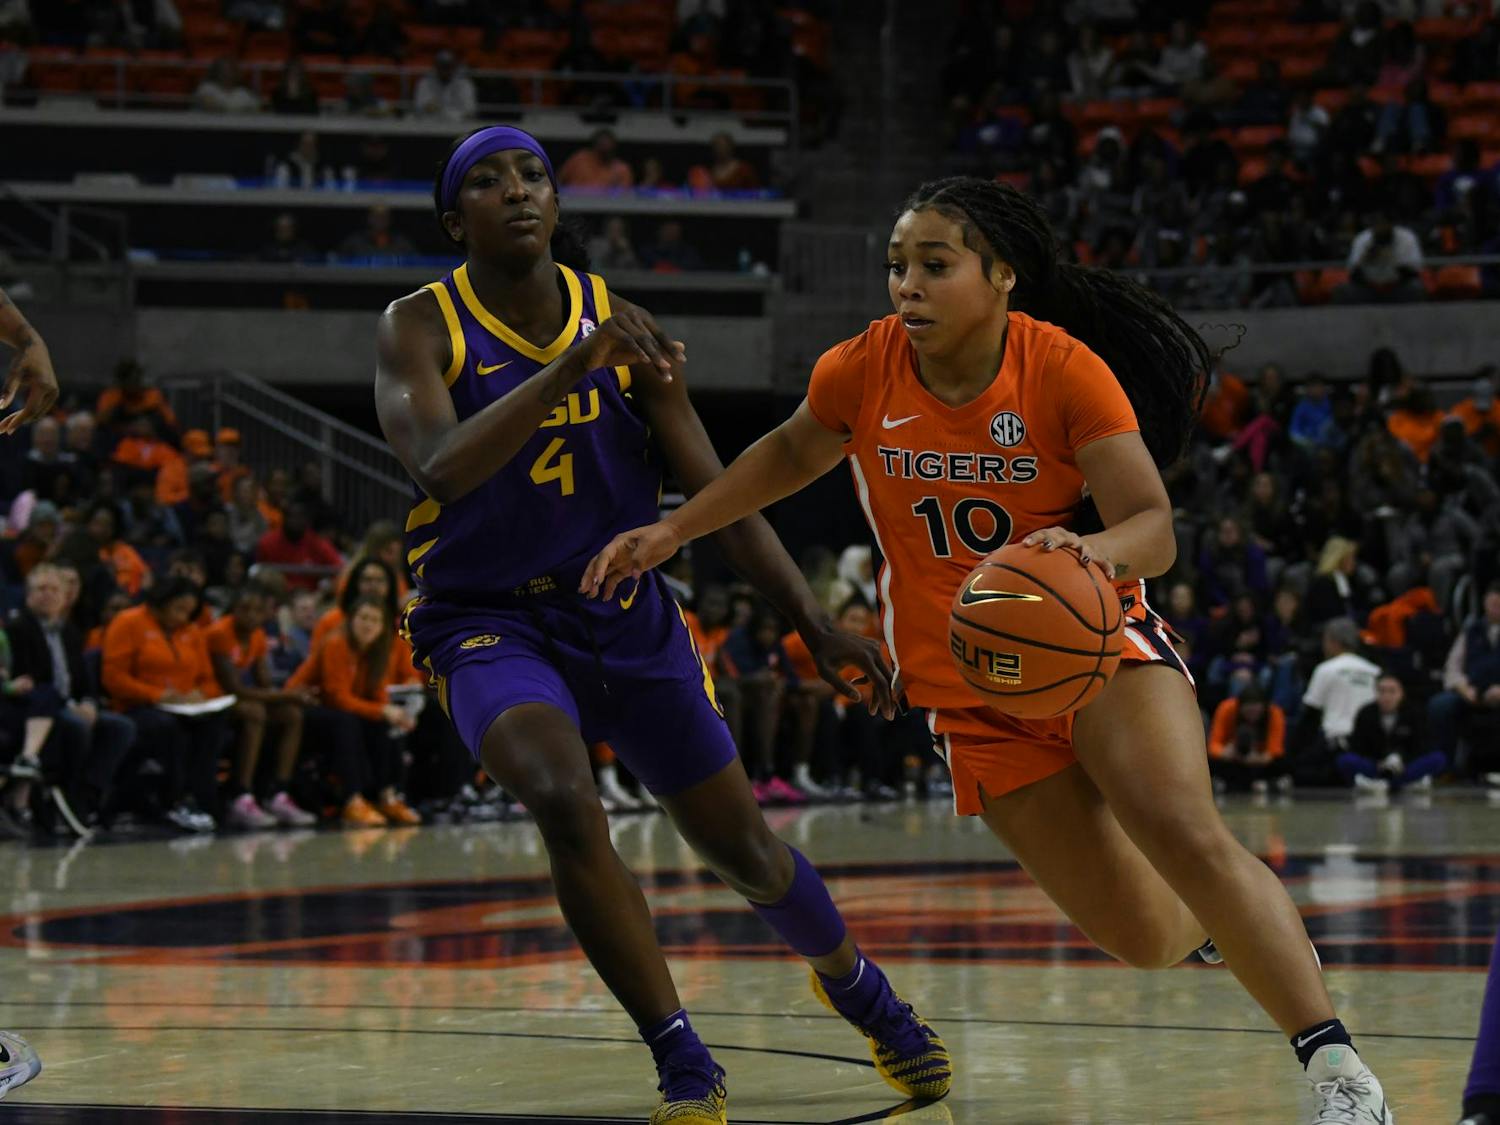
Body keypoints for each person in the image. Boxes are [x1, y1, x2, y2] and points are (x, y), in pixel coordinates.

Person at [584, 175, 1393, 1122]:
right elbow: (789, 453)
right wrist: (674, 530)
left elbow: (1153, 528)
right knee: (1141, 936)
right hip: (965, 688)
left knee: (1183, 831)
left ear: (1001, 274)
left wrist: (1085, 549)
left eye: (934, 265)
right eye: (897, 268)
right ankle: (1241, 921)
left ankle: (1339, 1073)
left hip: (1091, 647)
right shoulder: (863, 367)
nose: (907, 287)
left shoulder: (1061, 368)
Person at [374, 125, 947, 1121]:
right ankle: (681, 1053)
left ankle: (863, 990)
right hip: (485, 619)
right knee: (562, 796)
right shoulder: (419, 327)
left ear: (557, 204)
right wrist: (565, 370)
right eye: (490, 182)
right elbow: (440, 468)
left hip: (623, 613)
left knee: (747, 854)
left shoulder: (625, 330)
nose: (519, 192)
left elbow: (715, 493)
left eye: (535, 176)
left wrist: (812, 618)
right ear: (452, 216)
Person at [7, 563, 135, 831]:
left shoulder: (69, 632)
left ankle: (89, 794)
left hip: (70, 703)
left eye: (54, 589)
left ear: (65, 597)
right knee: (75, 726)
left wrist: (88, 703)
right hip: (36, 706)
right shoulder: (17, 628)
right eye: (41, 589)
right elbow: (28, 681)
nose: (48, 595)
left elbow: (84, 682)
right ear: (29, 594)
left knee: (121, 728)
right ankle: (66, 793)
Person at [101, 576, 231, 833]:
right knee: (167, 727)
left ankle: (202, 800)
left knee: (215, 724)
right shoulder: (128, 622)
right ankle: (172, 800)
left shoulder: (192, 631)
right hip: (136, 706)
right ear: (161, 603)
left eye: (189, 612)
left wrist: (200, 694)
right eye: (178, 609)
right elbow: (113, 679)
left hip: (185, 707)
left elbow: (209, 680)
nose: (183, 617)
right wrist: (157, 695)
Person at [286, 596, 419, 826]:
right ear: (351, 620)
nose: (368, 625)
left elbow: (377, 694)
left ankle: (387, 796)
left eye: (375, 620)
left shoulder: (378, 651)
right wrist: (381, 710)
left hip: (342, 711)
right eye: (364, 618)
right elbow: (337, 697)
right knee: (348, 722)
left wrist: (396, 715)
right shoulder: (336, 643)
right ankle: (352, 799)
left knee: (386, 725)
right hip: (304, 707)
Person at [206, 584, 318, 828]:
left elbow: (264, 682)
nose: (251, 616)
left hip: (238, 699)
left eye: (258, 611)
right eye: (245, 609)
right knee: (254, 711)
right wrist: (288, 695)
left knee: (291, 715)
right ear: (233, 610)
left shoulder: (256, 635)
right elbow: (233, 688)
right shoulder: (219, 633)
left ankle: (278, 793)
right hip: (212, 698)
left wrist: (286, 697)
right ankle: (240, 794)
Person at [1340, 671, 1440, 796]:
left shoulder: (1415, 712)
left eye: (1392, 691)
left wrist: (1402, 761)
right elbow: (1357, 747)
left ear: (1401, 693)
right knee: (1346, 760)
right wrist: (1379, 763)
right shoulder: (1366, 713)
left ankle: (1391, 782)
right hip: (1376, 765)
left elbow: (1422, 745)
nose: (1387, 696)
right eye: (1382, 691)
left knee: (1437, 758)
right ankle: (1399, 783)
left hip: (1404, 766)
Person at [1207, 684, 1287, 794]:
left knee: (1282, 763)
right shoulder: (1226, 709)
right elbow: (1213, 745)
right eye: (1248, 712)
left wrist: (1260, 758)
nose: (1252, 717)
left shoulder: (1275, 713)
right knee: (1211, 762)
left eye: (1256, 712)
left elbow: (1275, 749)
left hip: (1260, 759)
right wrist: (1224, 752)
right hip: (1232, 758)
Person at [413, 50, 476, 121]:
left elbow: (470, 110)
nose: (445, 70)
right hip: (430, 124)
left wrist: (449, 114)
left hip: (458, 124)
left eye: (448, 66)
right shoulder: (425, 83)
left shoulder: (465, 84)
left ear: (454, 67)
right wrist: (430, 107)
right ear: (436, 66)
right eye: (442, 66)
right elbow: (420, 106)